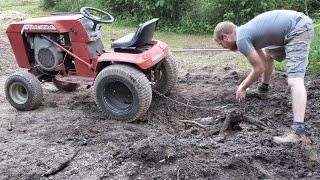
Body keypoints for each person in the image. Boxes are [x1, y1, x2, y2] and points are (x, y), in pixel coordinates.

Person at [213, 10, 313, 144]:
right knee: (268, 54)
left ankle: (298, 132)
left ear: (226, 37)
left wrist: (242, 87)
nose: (224, 47)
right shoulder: (247, 32)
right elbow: (262, 61)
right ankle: (263, 90)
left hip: (297, 29)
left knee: (295, 80)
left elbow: (258, 68)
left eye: (221, 44)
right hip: (292, 26)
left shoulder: (242, 39)